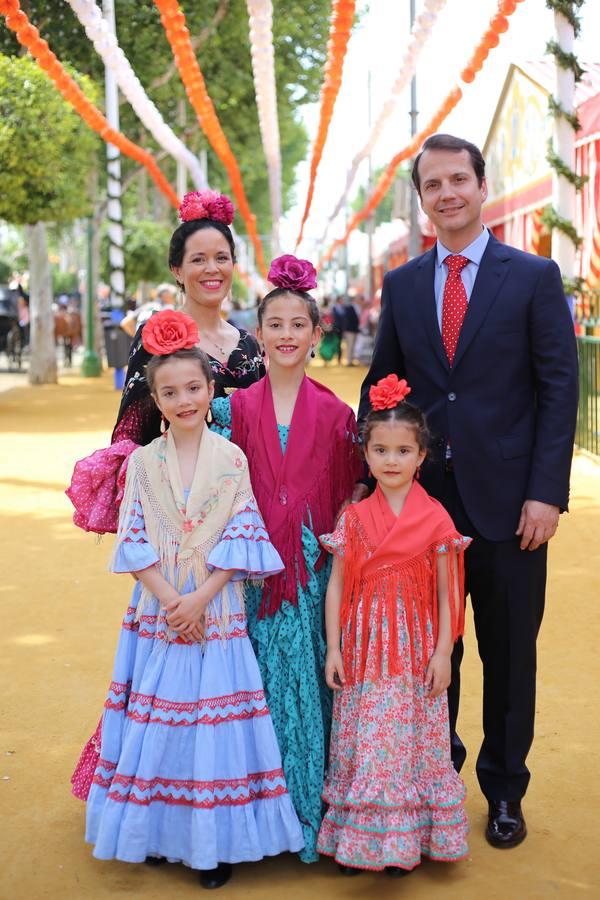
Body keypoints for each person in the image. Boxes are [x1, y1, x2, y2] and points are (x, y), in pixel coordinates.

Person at [358, 133, 579, 848]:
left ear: (482, 186)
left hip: (514, 508)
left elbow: (558, 389)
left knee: (509, 654)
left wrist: (546, 492)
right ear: (422, 200)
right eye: (433, 185)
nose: (447, 193)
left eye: (459, 179)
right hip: (423, 512)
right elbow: (380, 390)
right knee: (431, 652)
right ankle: (436, 778)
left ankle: (505, 789)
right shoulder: (403, 284)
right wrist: (373, 492)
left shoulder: (535, 276)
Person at [82, 312, 304, 888]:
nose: (183, 399)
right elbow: (133, 542)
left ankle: (215, 841)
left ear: (212, 391)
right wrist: (171, 601)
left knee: (212, 724)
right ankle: (155, 830)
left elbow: (242, 538)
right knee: (160, 719)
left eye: (193, 388)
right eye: (169, 391)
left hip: (217, 605)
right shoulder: (140, 463)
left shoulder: (232, 458)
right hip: (159, 610)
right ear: (153, 399)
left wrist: (200, 598)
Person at [210, 254, 362, 862]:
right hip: (246, 573)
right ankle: (245, 817)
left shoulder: (336, 415)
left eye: (299, 324)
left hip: (309, 575)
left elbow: (352, 491)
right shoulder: (234, 409)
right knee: (246, 688)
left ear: (316, 334)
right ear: (259, 332)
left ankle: (304, 812)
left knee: (306, 686)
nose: (287, 335)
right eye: (275, 324)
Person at [318, 374, 470, 874]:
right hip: (364, 645)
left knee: (408, 734)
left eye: (403, 450)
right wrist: (335, 646)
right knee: (367, 732)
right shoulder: (357, 517)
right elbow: (337, 583)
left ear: (422, 456)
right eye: (380, 450)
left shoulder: (436, 518)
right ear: (366, 454)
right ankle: (361, 838)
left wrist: (444, 652)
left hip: (414, 649)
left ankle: (410, 836)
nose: (391, 460)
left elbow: (449, 593)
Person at [67, 190, 266, 536]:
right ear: (177, 269)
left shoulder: (248, 343)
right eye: (198, 259)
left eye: (222, 258)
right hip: (179, 509)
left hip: (246, 503)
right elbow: (133, 430)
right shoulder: (155, 335)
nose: (211, 269)